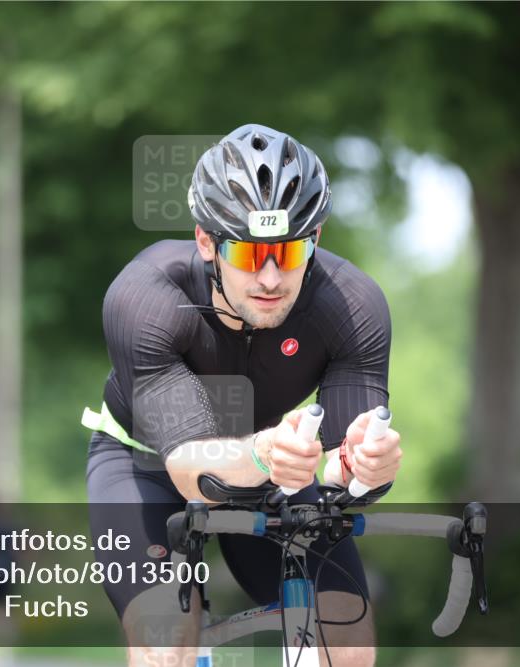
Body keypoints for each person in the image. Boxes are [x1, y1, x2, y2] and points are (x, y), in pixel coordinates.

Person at [84, 124, 402, 667]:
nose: (272, 278)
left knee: (347, 644)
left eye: (290, 251)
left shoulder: (352, 306)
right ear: (207, 241)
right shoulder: (146, 296)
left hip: (274, 464)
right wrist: (262, 453)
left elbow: (339, 469)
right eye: (250, 255)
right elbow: (191, 472)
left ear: (316, 238)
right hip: (147, 463)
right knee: (166, 644)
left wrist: (365, 469)